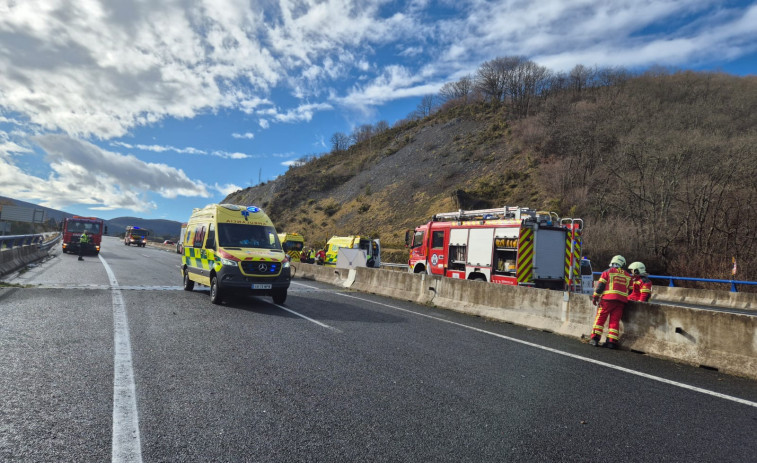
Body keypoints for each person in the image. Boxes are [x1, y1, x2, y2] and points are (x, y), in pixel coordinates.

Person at [589, 255, 632, 349]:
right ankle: (611, 342)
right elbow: (631, 290)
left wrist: (595, 297)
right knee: (614, 321)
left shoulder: (607, 272)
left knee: (600, 318)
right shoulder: (628, 276)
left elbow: (600, 286)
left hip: (607, 300)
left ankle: (595, 339)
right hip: (621, 302)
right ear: (622, 264)